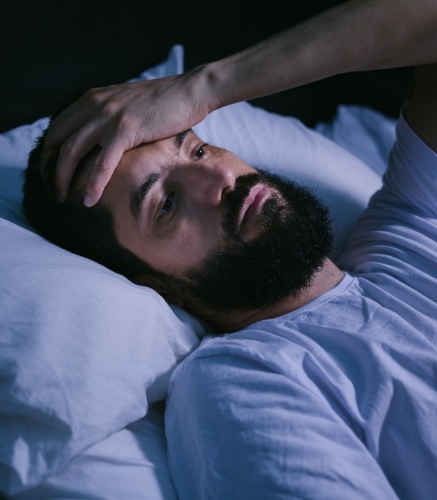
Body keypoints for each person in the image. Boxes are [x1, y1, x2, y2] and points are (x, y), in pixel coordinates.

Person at [23, 0, 437, 497]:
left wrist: (203, 87)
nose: (220, 177)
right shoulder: (244, 379)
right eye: (167, 204)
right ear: (150, 282)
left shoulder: (408, 234)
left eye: (197, 148)